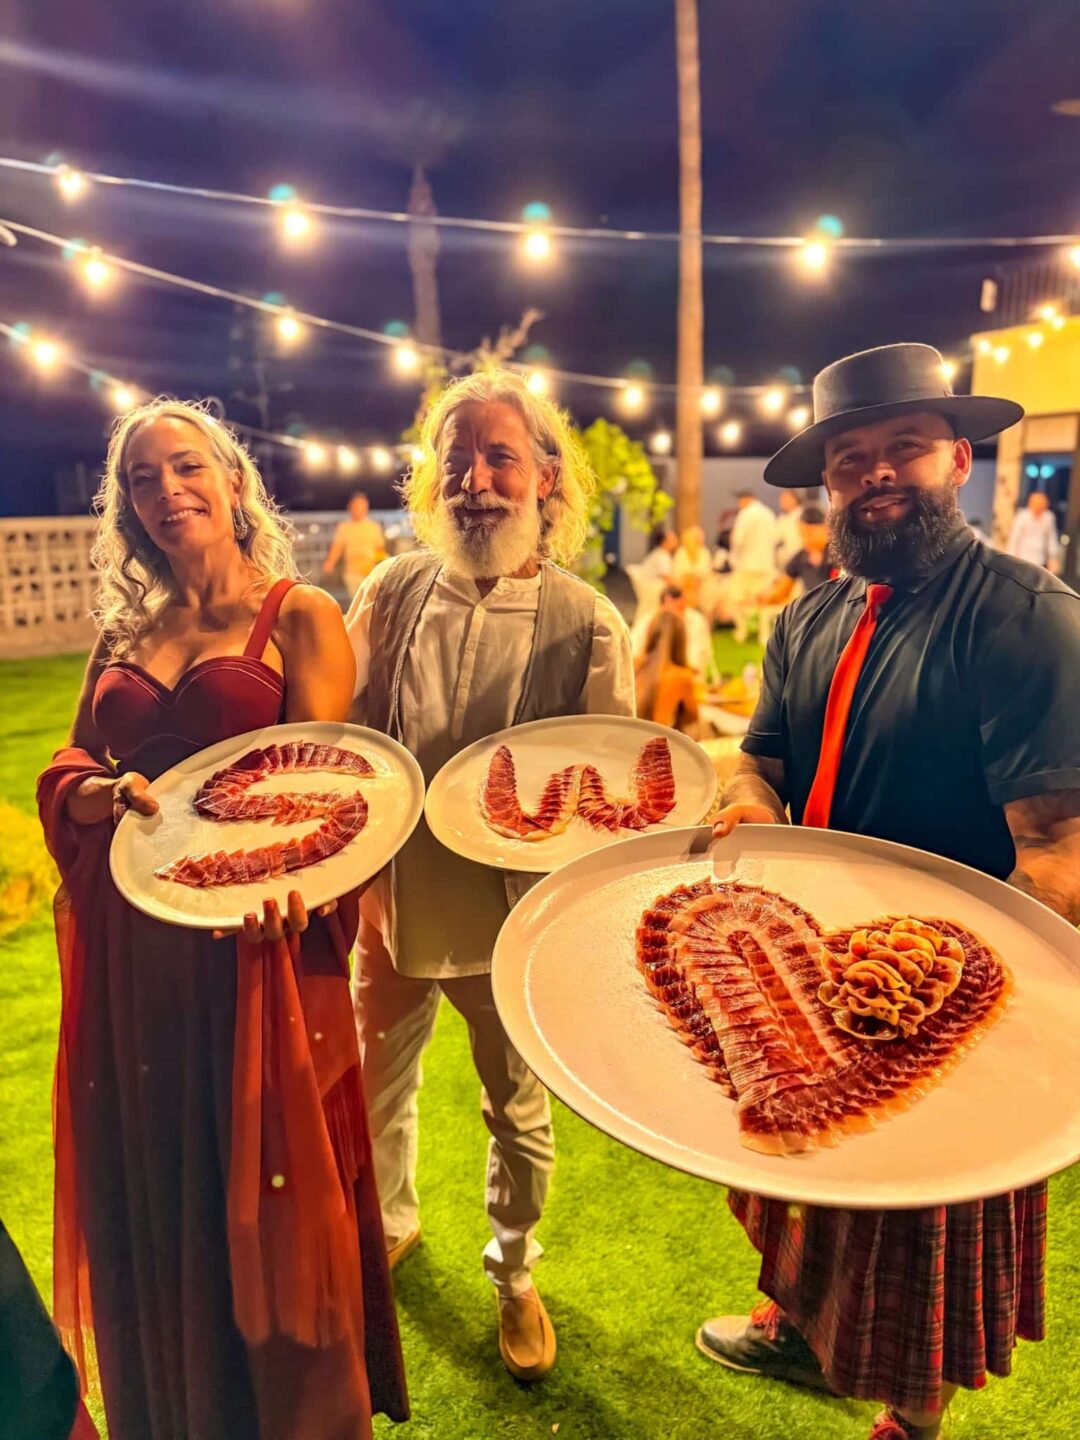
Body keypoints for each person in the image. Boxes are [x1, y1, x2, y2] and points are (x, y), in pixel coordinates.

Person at [697, 344, 1080, 1439]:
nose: (876, 474)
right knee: (804, 1188)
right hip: (804, 972)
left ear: (958, 456)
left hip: (947, 1001)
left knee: (922, 1233)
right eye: (850, 457)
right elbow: (758, 757)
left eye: (902, 447)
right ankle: (797, 1332)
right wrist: (750, 803)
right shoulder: (808, 618)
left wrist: (943, 1004)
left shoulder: (1025, 614)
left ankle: (910, 1425)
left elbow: (1058, 851)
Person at [37, 400, 407, 1440]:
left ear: (234, 481)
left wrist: (295, 898)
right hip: (131, 948)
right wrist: (87, 796)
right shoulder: (121, 632)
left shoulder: (298, 615)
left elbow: (333, 792)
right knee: (156, 1176)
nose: (167, 493)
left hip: (255, 947)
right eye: (144, 479)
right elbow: (71, 762)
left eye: (186, 467)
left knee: (271, 1198)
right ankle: (179, 1406)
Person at [345, 372, 633, 1383]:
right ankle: (386, 1226)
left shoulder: (588, 621)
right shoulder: (390, 590)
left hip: (515, 919)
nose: (475, 479)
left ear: (546, 476)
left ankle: (514, 1271)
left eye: (499, 455)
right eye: (455, 457)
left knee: (514, 1105)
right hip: (394, 899)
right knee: (375, 1081)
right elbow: (351, 741)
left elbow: (607, 792)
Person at [721, 491, 778, 641]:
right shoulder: (769, 514)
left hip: (746, 565)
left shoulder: (745, 515)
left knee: (736, 598)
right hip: (766, 564)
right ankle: (763, 634)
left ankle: (742, 631)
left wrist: (734, 559)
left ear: (746, 500)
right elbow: (775, 538)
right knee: (764, 601)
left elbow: (737, 539)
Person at [630, 580, 714, 680]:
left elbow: (695, 662)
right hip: (652, 678)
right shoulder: (647, 622)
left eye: (680, 610)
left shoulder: (696, 622)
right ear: (661, 608)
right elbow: (632, 653)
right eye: (671, 612)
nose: (676, 617)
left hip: (686, 678)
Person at [635, 610, 700, 733]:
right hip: (657, 745)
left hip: (625, 742)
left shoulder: (634, 666)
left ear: (650, 634)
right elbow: (693, 717)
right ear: (681, 640)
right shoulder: (681, 676)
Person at [758, 504, 833, 608]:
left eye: (810, 533)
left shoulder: (838, 555)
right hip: (815, 613)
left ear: (825, 528)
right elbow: (782, 590)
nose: (806, 539)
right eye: (802, 534)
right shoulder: (800, 557)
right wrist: (764, 597)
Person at [323, 491, 387, 594]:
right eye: (357, 505)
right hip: (352, 573)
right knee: (358, 601)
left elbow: (380, 548)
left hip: (370, 572)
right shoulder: (344, 527)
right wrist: (330, 562)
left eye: (363, 505)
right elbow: (337, 547)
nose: (360, 508)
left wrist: (381, 566)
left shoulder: (373, 527)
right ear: (350, 506)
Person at [1007, 489, 1060, 572]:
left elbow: (1051, 538)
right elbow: (1014, 538)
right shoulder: (1022, 517)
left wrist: (1052, 557)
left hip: (1040, 559)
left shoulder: (1049, 517)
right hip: (1023, 557)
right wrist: (1012, 558)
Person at [774, 487, 804, 567]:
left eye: (786, 498)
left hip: (799, 561)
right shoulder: (782, 518)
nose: (782, 502)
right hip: (784, 562)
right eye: (782, 499)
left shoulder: (802, 515)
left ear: (795, 499)